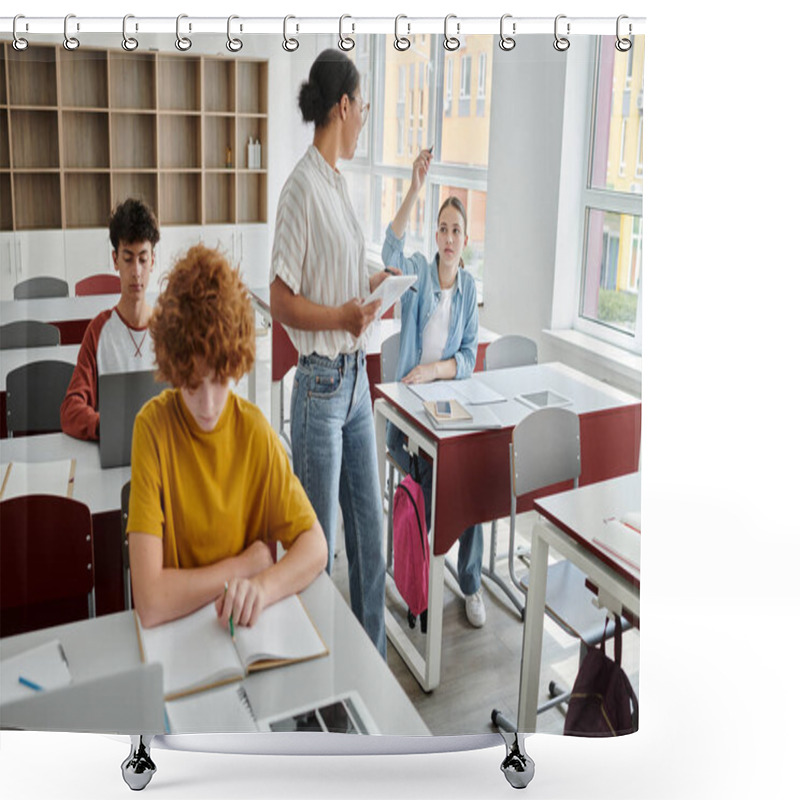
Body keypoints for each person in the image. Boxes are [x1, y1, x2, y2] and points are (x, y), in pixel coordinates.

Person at [126, 245, 327, 629]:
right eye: (192, 383)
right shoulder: (151, 429)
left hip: (244, 635)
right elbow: (150, 601)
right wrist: (247, 565)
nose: (208, 404)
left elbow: (315, 545)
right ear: (174, 367)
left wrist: (263, 587)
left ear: (236, 364)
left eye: (220, 381)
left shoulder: (254, 431)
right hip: (177, 637)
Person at [270, 48, 391, 657]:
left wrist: (376, 286)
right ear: (342, 106)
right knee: (315, 548)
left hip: (355, 386)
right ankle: (312, 677)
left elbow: (340, 278)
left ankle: (371, 668)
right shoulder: (300, 190)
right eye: (362, 106)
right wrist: (342, 316)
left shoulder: (339, 184)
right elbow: (282, 299)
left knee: (371, 536)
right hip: (318, 387)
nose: (364, 117)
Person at [382, 148, 486, 628]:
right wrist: (414, 189)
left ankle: (469, 584)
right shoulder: (420, 273)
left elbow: (467, 358)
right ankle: (418, 580)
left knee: (472, 478)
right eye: (442, 228)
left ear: (466, 241)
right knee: (434, 477)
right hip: (407, 415)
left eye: (456, 231)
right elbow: (389, 252)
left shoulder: (467, 290)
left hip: (443, 402)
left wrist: (435, 372)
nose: (447, 238)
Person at [60, 198, 160, 441]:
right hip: (114, 449)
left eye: (143, 259)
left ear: (153, 262)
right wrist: (106, 425)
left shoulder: (170, 330)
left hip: (161, 455)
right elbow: (70, 410)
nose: (136, 271)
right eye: (128, 259)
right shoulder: (98, 330)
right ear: (115, 260)